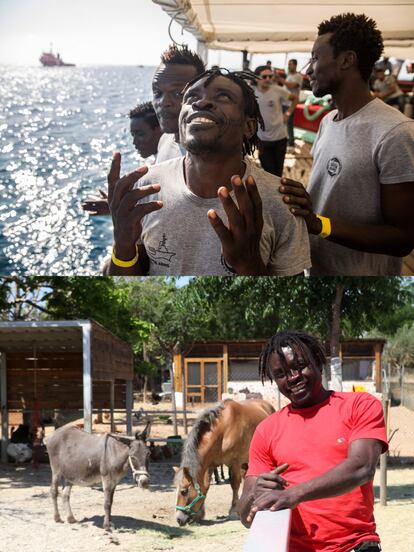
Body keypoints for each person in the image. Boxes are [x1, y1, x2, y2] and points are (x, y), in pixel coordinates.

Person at [107, 69, 311, 276]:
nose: (201, 103)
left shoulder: (284, 202)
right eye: (191, 97)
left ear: (249, 127)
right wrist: (123, 245)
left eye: (223, 96)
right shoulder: (146, 187)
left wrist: (249, 266)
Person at [278, 13, 414, 275]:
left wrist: (320, 225)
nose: (308, 70)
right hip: (315, 270)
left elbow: (402, 239)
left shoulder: (395, 132)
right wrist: (302, 199)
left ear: (346, 60)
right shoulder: (328, 121)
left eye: (316, 58)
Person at [238, 329, 388, 552]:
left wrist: (294, 494)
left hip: (355, 545)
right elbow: (245, 516)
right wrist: (254, 494)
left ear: (319, 361)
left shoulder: (359, 406)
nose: (293, 377)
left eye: (299, 366)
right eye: (281, 374)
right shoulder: (267, 430)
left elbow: (362, 467)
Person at [82, 102, 162, 216]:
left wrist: (117, 207)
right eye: (133, 135)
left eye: (140, 134)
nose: (134, 142)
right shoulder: (158, 162)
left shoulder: (165, 165)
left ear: (159, 129)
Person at [152, 44, 205, 162]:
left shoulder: (210, 156)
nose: (163, 102)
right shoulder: (165, 139)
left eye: (177, 94)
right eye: (157, 93)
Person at [254, 65, 298, 176]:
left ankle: (277, 192)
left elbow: (295, 98)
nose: (268, 79)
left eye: (270, 76)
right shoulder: (251, 93)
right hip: (262, 139)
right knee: (269, 171)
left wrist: (287, 113)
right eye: (264, 76)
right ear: (256, 78)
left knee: (278, 172)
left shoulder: (277, 90)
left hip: (280, 138)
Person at [279, 59, 303, 146]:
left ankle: (291, 142)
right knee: (283, 123)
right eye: (288, 64)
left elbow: (291, 85)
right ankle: (285, 140)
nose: (289, 66)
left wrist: (281, 80)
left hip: (290, 104)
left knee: (289, 124)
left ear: (295, 65)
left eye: (290, 64)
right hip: (284, 103)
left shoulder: (298, 76)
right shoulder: (289, 75)